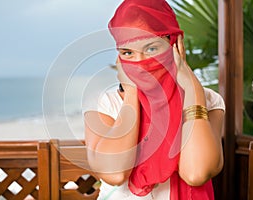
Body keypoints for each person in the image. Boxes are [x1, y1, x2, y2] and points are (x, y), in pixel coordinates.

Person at [83, 0, 225, 199]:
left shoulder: (208, 101)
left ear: (175, 45)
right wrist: (132, 93)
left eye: (151, 49)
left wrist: (192, 90)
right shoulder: (108, 103)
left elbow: (196, 173)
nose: (140, 62)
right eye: (128, 53)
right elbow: (114, 173)